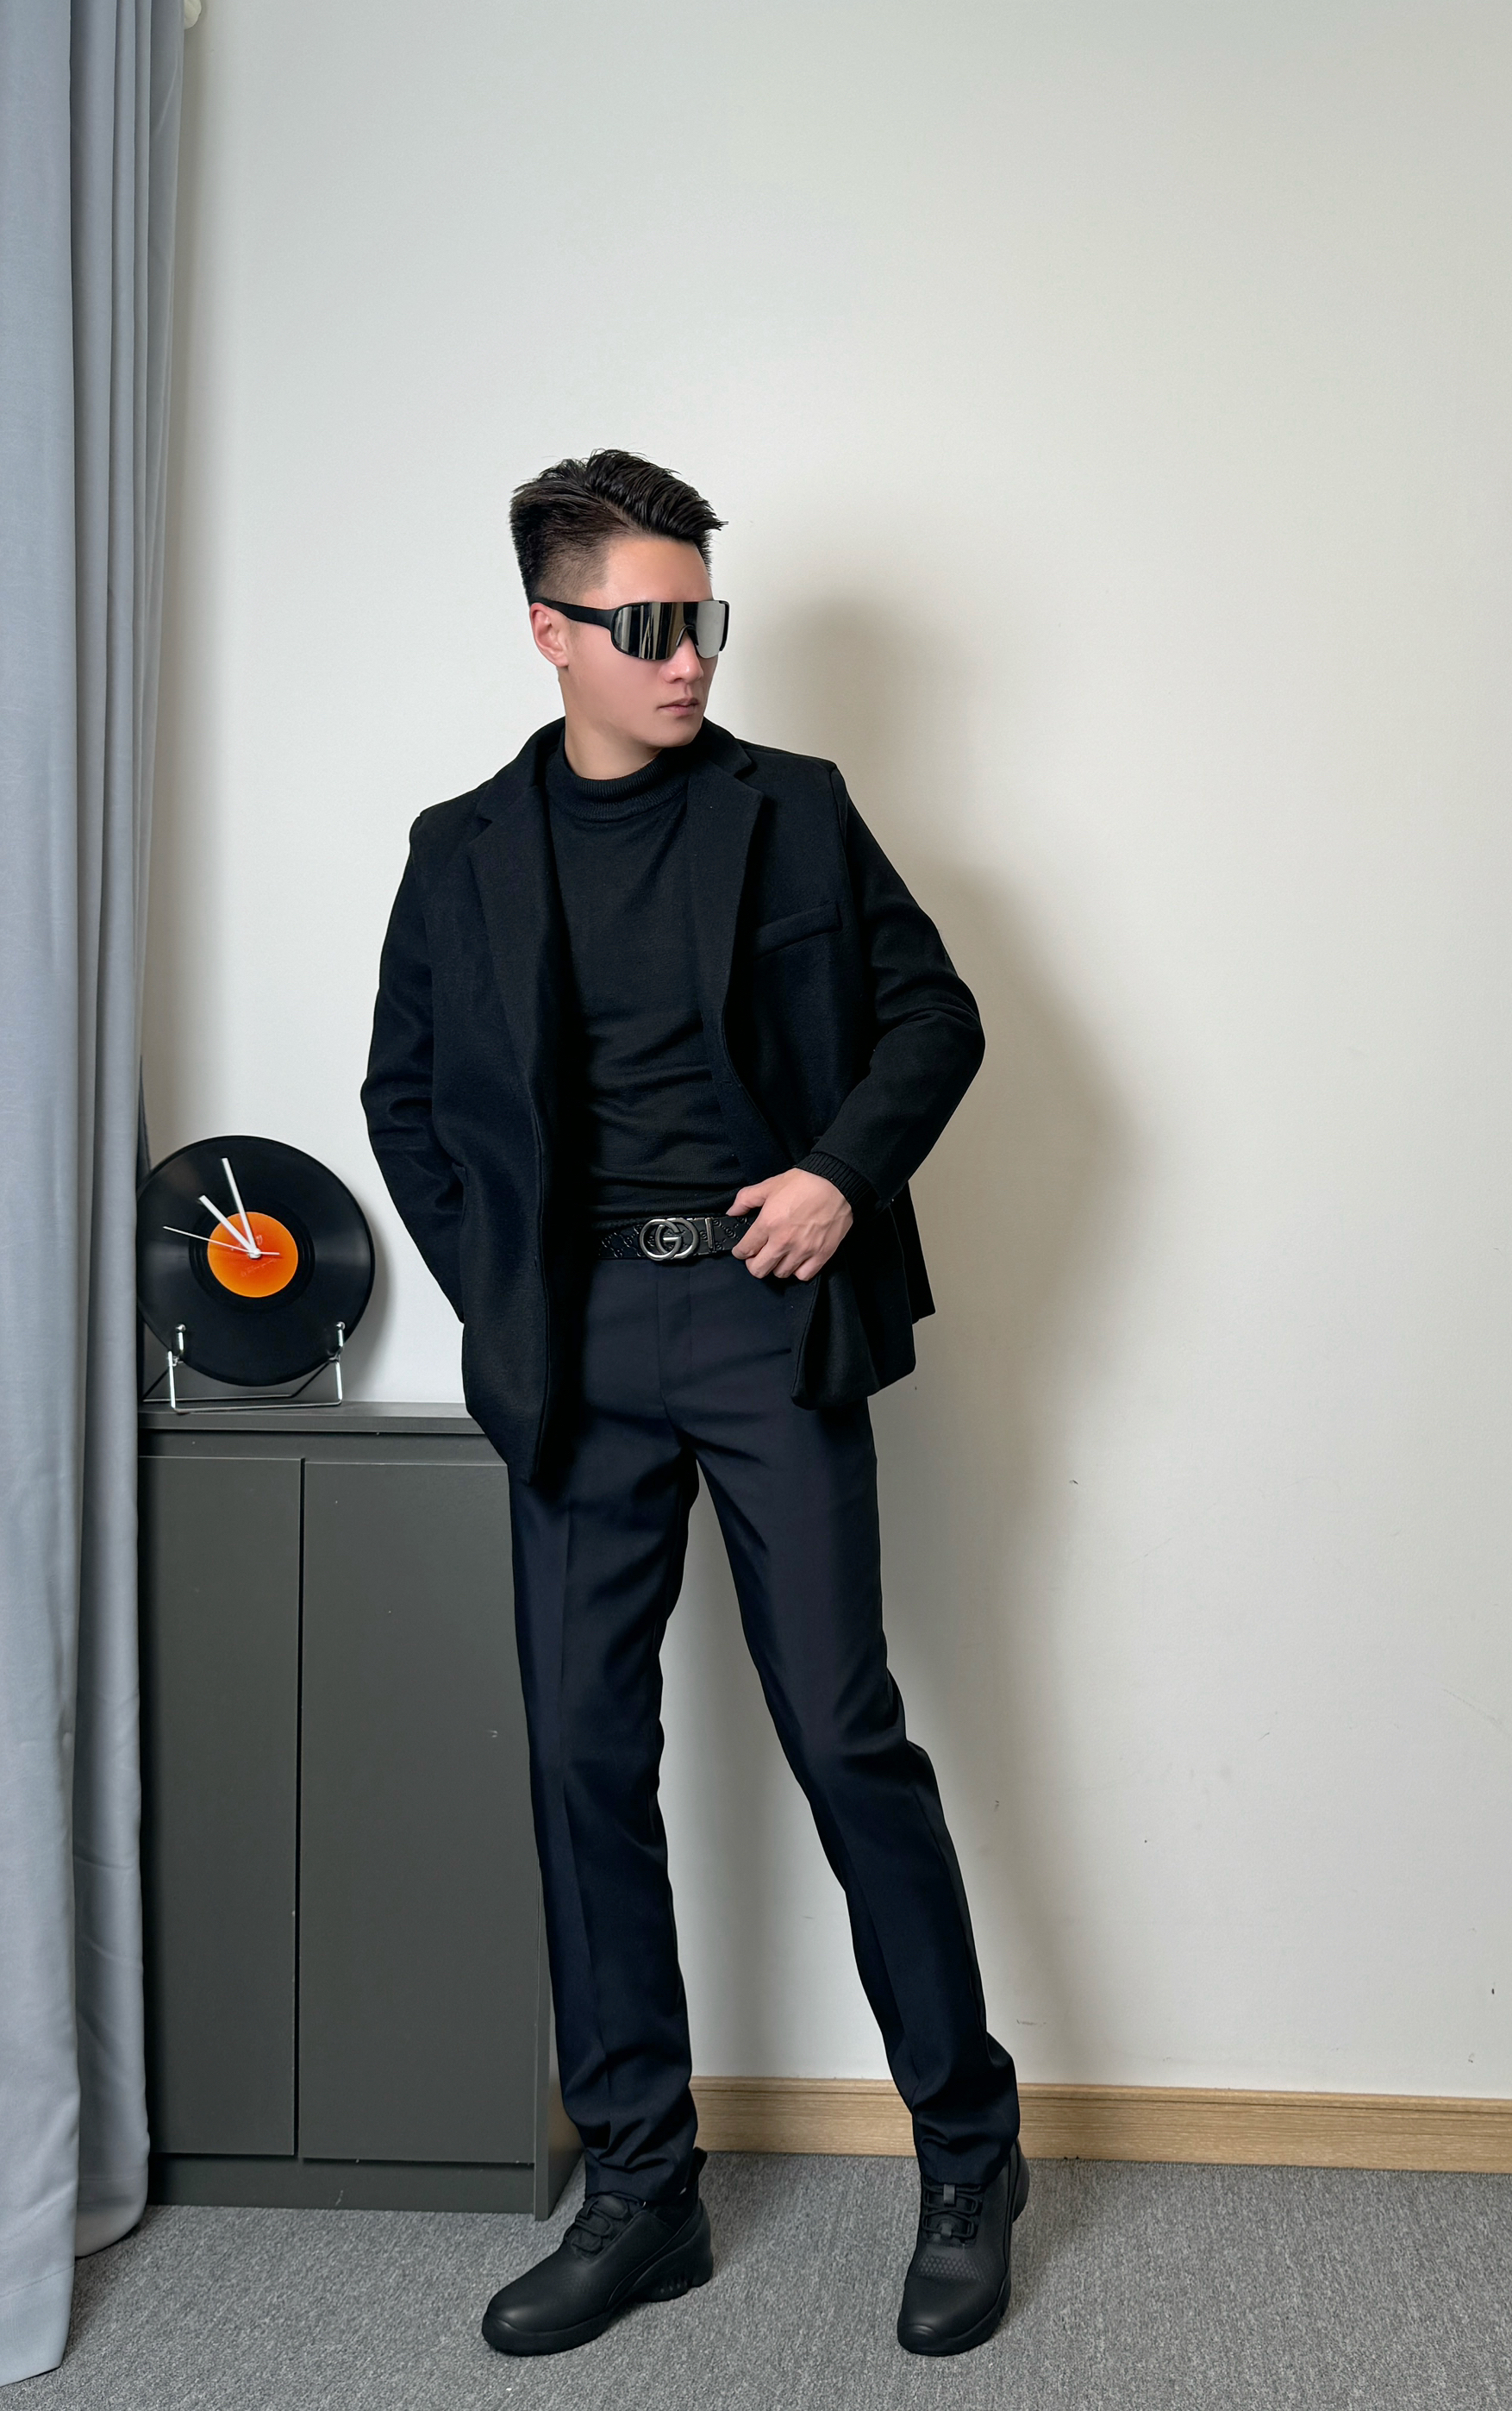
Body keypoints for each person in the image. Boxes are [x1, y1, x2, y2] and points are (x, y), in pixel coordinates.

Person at [362, 449, 1023, 2359]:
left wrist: (838, 1176)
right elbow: (404, 1095)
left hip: (762, 1313)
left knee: (843, 1734)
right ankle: (644, 2192)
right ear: (549, 632)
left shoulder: (792, 811)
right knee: (582, 1757)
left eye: (705, 618)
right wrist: (505, 1294)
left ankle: (967, 2160)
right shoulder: (462, 848)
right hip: (574, 1342)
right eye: (649, 623)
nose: (689, 656)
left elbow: (938, 1015)